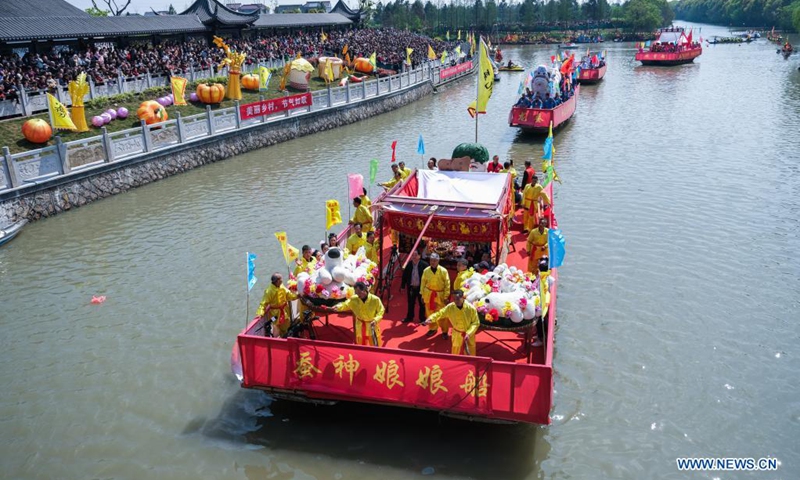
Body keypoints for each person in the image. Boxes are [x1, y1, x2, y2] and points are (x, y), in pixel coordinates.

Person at [328, 281, 385, 346]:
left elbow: (381, 311)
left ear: (364, 290)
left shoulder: (375, 299)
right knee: (360, 345)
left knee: (375, 345)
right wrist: (337, 307)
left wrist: (376, 320)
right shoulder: (354, 299)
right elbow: (346, 304)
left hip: (371, 325)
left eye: (359, 293)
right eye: (356, 293)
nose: (358, 295)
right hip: (360, 325)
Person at [424, 290, 479, 355]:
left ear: (462, 298)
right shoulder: (450, 307)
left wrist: (469, 333)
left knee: (470, 351)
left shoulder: (471, 308)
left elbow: (475, 323)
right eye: (454, 299)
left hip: (468, 335)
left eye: (458, 299)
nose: (456, 301)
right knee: (455, 350)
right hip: (456, 333)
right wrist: (431, 319)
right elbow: (440, 313)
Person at [421, 253, 451, 338]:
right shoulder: (426, 270)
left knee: (442, 314)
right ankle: (432, 328)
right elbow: (423, 283)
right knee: (429, 313)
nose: (432, 262)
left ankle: (445, 331)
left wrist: (446, 296)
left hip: (440, 295)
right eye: (431, 260)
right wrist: (422, 295)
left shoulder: (443, 271)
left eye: (434, 260)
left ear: (438, 261)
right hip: (429, 294)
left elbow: (447, 284)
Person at [400, 249, 428, 323]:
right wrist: (403, 286)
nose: (414, 256)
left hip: (421, 288)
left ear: (419, 256)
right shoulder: (409, 264)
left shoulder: (425, 265)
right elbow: (404, 276)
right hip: (411, 287)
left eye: (416, 255)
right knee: (410, 303)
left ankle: (422, 318)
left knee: (422, 303)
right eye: (413, 255)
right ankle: (409, 317)